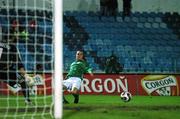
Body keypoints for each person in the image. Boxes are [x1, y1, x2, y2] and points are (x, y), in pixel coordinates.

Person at [0, 34, 32, 105]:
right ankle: (28, 101)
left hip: (6, 70)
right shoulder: (12, 47)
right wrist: (26, 75)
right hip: (5, 71)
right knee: (23, 81)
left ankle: (16, 87)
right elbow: (18, 63)